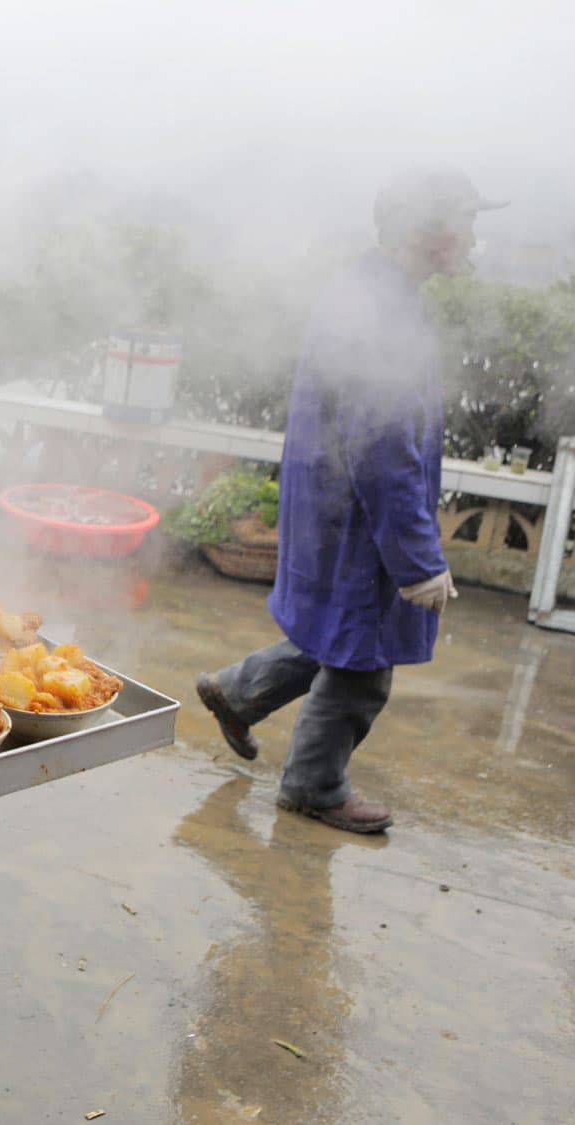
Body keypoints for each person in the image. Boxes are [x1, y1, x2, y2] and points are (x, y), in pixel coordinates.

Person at [194, 167, 504, 835]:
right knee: (364, 664)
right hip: (360, 515)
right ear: (436, 232)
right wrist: (418, 558)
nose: (475, 235)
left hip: (338, 505)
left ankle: (236, 691)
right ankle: (313, 784)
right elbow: (384, 447)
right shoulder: (382, 310)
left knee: (341, 632)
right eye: (469, 221)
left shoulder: (371, 294)